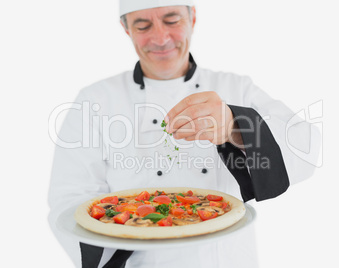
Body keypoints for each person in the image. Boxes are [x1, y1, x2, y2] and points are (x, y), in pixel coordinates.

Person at [48, 0, 321, 267]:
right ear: (125, 28)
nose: (160, 37)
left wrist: (236, 127)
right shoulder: (94, 100)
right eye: (143, 26)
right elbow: (70, 198)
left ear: (192, 17)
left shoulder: (236, 86)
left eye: (172, 20)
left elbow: (307, 149)